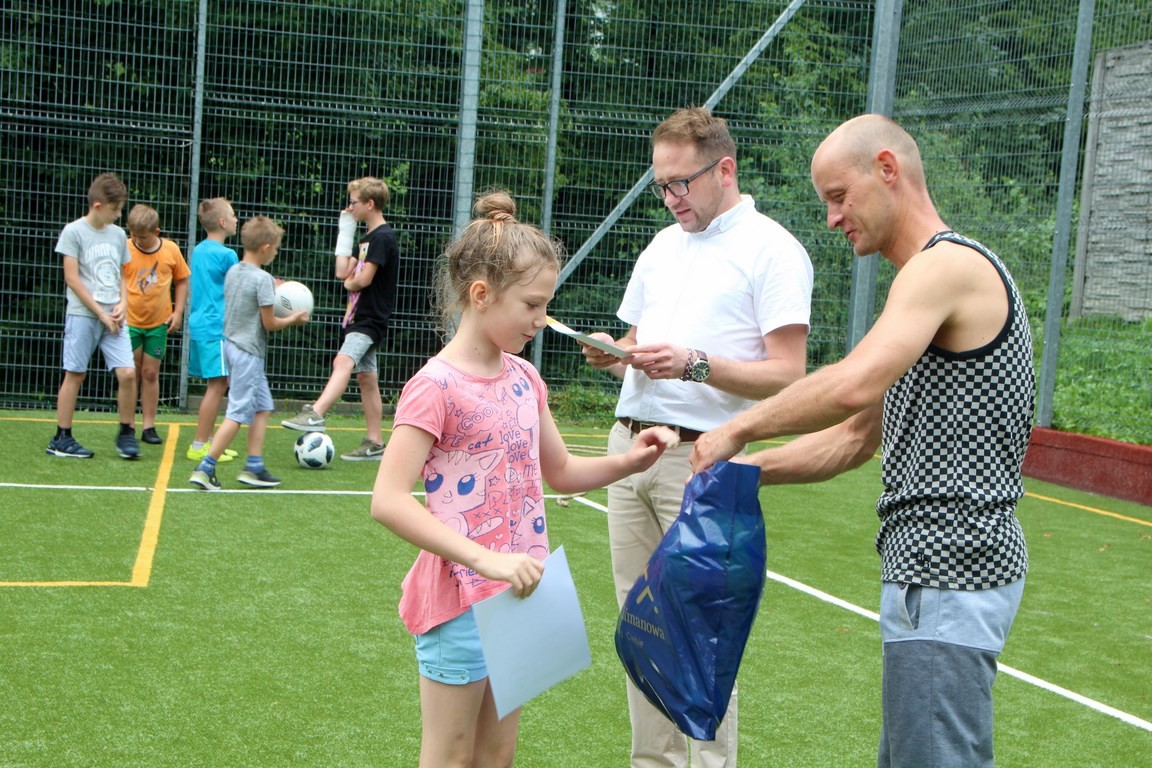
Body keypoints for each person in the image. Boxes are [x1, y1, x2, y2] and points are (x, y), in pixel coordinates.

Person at [689, 114, 1035, 768]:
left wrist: (736, 429)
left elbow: (852, 384)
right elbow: (854, 437)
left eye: (839, 196)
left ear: (887, 169)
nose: (831, 219)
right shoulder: (927, 283)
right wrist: (748, 472)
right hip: (930, 572)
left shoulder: (945, 267)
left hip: (950, 569)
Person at [369, 191, 678, 768]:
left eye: (547, 305)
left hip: (522, 593)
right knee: (451, 756)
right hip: (460, 600)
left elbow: (560, 472)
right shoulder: (434, 387)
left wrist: (629, 462)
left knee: (498, 755)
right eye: (533, 305)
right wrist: (485, 560)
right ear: (480, 295)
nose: (543, 320)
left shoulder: (525, 378)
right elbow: (387, 500)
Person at [580, 107, 813, 768]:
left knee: (702, 637)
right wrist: (612, 352)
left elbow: (789, 374)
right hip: (630, 451)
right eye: (662, 185)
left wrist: (696, 365)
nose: (670, 197)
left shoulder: (774, 250)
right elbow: (637, 345)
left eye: (681, 182)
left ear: (725, 169)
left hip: (702, 458)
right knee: (640, 626)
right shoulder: (662, 245)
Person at [281, 177, 400, 461]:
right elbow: (341, 270)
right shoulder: (367, 238)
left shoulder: (383, 238)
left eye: (354, 202)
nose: (350, 206)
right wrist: (345, 229)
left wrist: (351, 283)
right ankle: (375, 442)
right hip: (357, 317)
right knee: (366, 378)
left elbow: (362, 279)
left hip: (370, 318)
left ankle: (316, 413)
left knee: (342, 361)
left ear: (370, 204)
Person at [189, 216, 309, 490]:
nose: (276, 252)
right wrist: (294, 318)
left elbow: (248, 298)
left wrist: (271, 290)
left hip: (230, 346)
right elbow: (270, 323)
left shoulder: (234, 270)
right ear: (266, 248)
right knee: (238, 412)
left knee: (263, 407)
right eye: (275, 248)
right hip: (248, 353)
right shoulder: (262, 279)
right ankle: (205, 467)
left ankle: (254, 466)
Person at [46, 172, 141, 460]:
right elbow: (72, 279)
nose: (119, 214)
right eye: (115, 209)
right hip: (84, 315)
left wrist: (123, 303)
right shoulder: (73, 232)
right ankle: (62, 437)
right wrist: (100, 313)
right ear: (98, 206)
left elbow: (121, 275)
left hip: (115, 316)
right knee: (75, 373)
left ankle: (126, 432)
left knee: (128, 373)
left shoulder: (118, 235)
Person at [123, 204, 191, 445]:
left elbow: (182, 280)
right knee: (131, 372)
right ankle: (128, 425)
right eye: (133, 235)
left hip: (158, 323)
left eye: (142, 236)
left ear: (156, 231)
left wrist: (178, 312)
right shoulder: (125, 248)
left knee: (150, 373)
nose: (137, 240)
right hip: (129, 321)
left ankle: (149, 426)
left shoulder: (170, 250)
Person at [186, 197, 241, 463]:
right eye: (232, 215)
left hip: (200, 325)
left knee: (216, 384)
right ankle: (199, 444)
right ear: (222, 222)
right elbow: (238, 288)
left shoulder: (198, 250)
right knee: (218, 385)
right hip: (216, 327)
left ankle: (209, 442)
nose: (236, 219)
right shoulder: (227, 255)